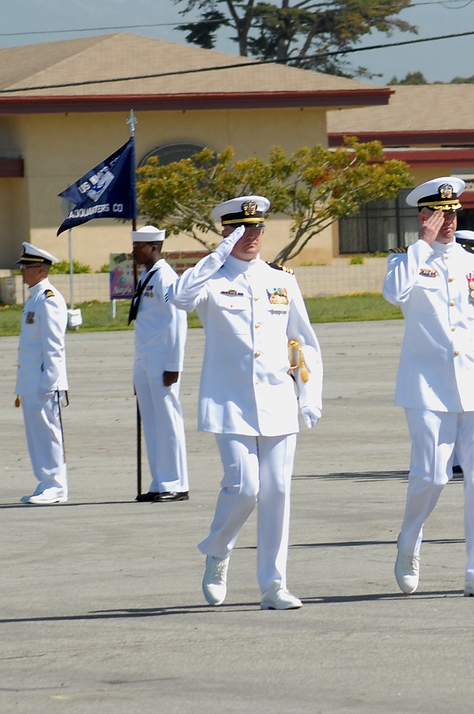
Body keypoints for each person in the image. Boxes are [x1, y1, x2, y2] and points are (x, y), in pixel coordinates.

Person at [170, 195, 323, 611]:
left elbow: (304, 340)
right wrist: (216, 255)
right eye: (241, 229)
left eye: (257, 229)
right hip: (229, 399)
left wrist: (310, 394)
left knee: (276, 491)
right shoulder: (211, 280)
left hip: (277, 398)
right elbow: (179, 298)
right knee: (244, 486)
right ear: (226, 231)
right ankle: (218, 549)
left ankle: (274, 585)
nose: (251, 236)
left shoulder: (282, 280)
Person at [383, 177, 474, 598]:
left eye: (453, 212)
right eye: (440, 213)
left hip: (473, 383)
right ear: (424, 215)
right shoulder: (407, 260)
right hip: (426, 387)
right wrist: (422, 242)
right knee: (433, 477)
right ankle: (409, 537)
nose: (449, 220)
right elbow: (394, 293)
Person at [129, 226, 190, 503]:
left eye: (137, 247)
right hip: (146, 360)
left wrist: (173, 364)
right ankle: (160, 481)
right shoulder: (148, 276)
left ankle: (176, 483)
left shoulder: (166, 277)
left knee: (168, 421)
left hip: (162, 362)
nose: (133, 252)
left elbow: (177, 321)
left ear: (152, 247)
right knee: (153, 423)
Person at [15, 242, 69, 505]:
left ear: (40, 269)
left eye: (26, 266)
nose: (23, 271)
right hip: (31, 380)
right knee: (37, 435)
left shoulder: (49, 299)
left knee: (49, 434)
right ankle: (46, 481)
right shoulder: (35, 297)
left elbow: (54, 345)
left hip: (44, 382)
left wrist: (50, 382)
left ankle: (56, 486)